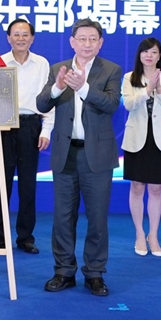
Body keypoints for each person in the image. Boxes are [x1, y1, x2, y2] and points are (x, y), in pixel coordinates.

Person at [36, 18, 121, 297]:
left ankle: (94, 273)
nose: (87, 44)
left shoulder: (111, 69)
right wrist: (59, 87)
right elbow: (42, 103)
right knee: (63, 217)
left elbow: (111, 104)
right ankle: (64, 271)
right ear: (72, 42)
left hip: (97, 155)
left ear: (100, 43)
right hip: (65, 153)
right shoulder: (57, 69)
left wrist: (83, 87)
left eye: (92, 39)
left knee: (97, 218)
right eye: (81, 39)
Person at [0, 19, 54, 254]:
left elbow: (49, 100)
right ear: (8, 38)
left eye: (25, 34)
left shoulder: (42, 64)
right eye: (16, 34)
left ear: (32, 38)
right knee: (1, 184)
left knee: (27, 186)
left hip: (31, 126)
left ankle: (25, 238)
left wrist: (46, 130)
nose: (21, 38)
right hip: (3, 126)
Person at [121, 37, 161, 258]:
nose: (149, 55)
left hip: (160, 139)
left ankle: (153, 235)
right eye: (145, 51)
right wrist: (147, 90)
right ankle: (139, 233)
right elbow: (128, 104)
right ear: (139, 54)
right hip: (137, 138)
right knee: (137, 187)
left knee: (156, 189)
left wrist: (160, 89)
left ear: (159, 55)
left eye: (154, 52)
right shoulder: (130, 77)